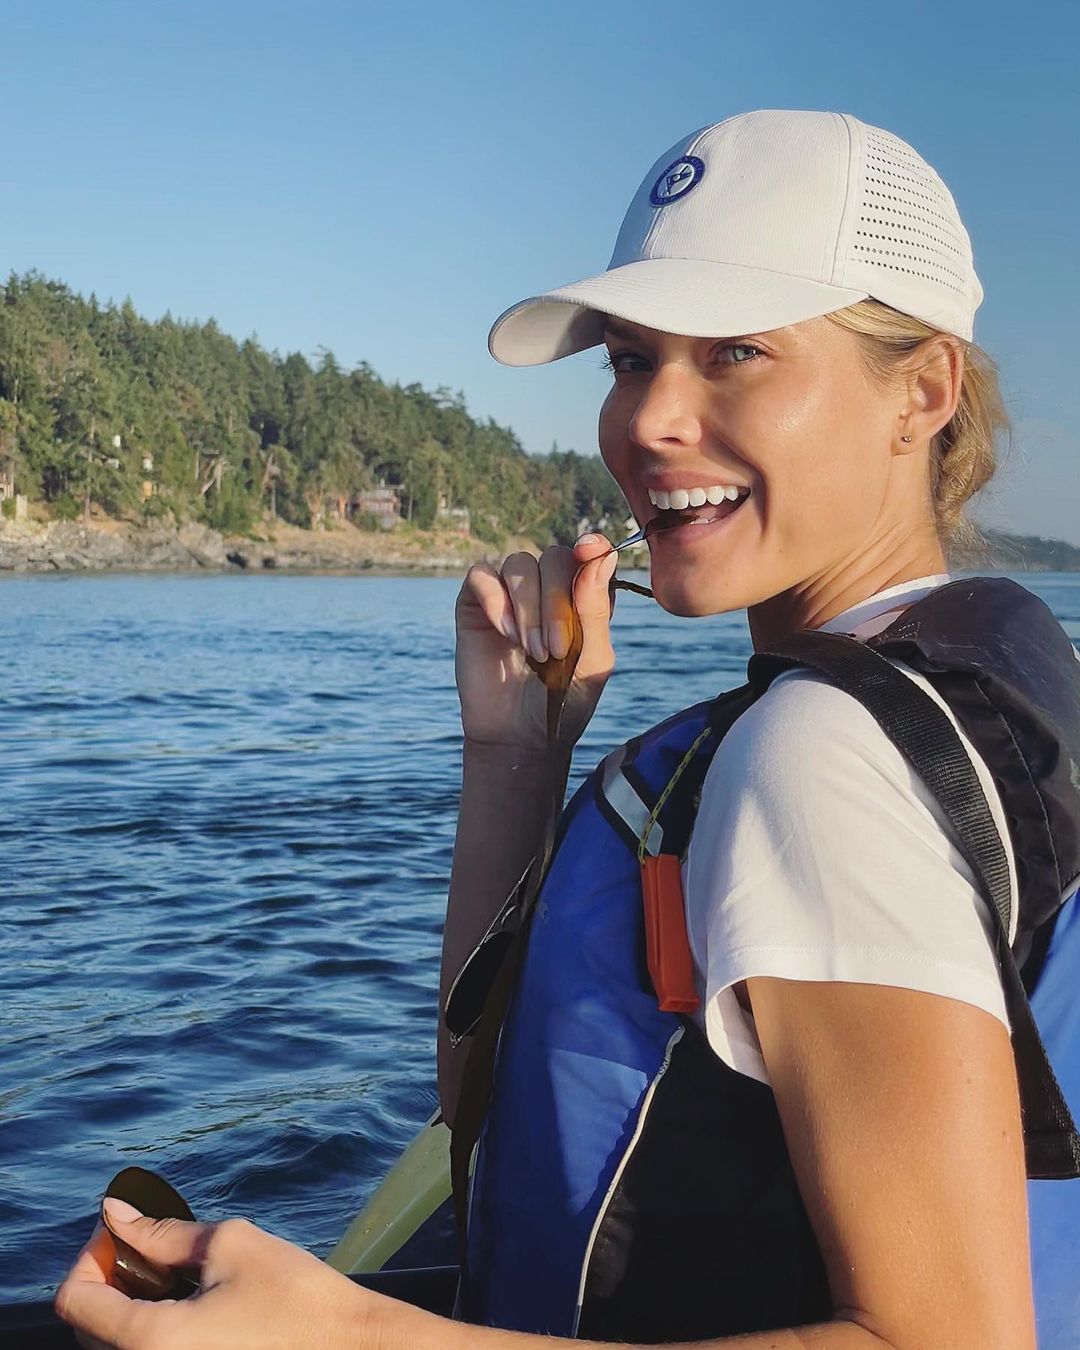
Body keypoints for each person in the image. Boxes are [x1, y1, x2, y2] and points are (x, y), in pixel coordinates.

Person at [56, 110, 1080, 1350]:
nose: (650, 419)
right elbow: (485, 1108)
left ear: (922, 392)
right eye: (631, 360)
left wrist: (347, 1336)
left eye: (737, 352)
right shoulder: (997, 672)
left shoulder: (823, 757)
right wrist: (516, 755)